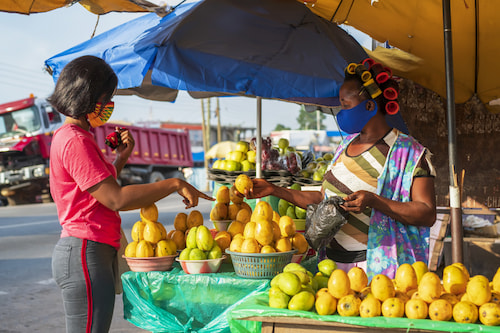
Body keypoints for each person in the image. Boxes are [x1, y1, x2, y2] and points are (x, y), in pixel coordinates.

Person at [48, 55, 213, 333]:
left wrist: (121, 159)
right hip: (84, 251)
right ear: (86, 96)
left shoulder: (79, 137)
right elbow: (116, 199)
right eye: (106, 97)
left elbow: (95, 193)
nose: (109, 105)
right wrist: (173, 183)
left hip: (91, 251)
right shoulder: (74, 140)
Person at [243, 59, 436, 280]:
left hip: (377, 270)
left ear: (370, 106)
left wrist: (374, 201)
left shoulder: (410, 154)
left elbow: (427, 212)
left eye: (345, 105)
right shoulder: (344, 148)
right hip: (331, 267)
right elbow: (323, 199)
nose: (340, 111)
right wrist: (275, 190)